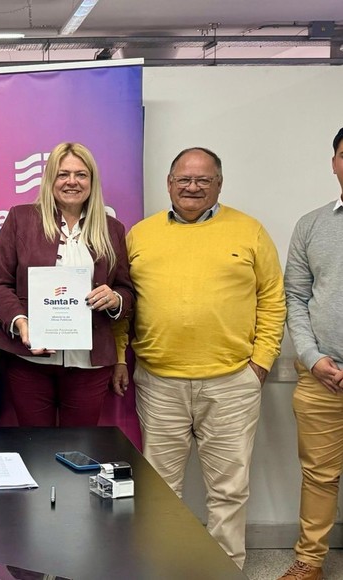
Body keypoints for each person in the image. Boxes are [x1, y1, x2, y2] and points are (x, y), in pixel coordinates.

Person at [126, 146, 286, 568]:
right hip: (159, 383)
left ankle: (225, 570)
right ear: (169, 183)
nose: (193, 187)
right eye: (184, 179)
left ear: (219, 184)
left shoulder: (249, 231)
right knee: (160, 489)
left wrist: (261, 363)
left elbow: (273, 299)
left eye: (203, 180)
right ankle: (161, 569)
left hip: (232, 383)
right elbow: (126, 301)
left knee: (229, 490)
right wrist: (124, 359)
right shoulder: (140, 234)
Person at [0, 142, 134, 427]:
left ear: (92, 181)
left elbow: (127, 289)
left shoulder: (112, 229)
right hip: (29, 361)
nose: (72, 182)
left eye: (81, 175)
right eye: (63, 174)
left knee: (80, 446)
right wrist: (21, 323)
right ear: (50, 179)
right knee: (35, 444)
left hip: (89, 364)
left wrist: (116, 299)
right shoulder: (21, 219)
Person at [277, 127, 343, 580]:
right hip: (323, 376)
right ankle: (310, 561)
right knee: (320, 475)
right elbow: (295, 297)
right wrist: (311, 355)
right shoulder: (312, 225)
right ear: (334, 162)